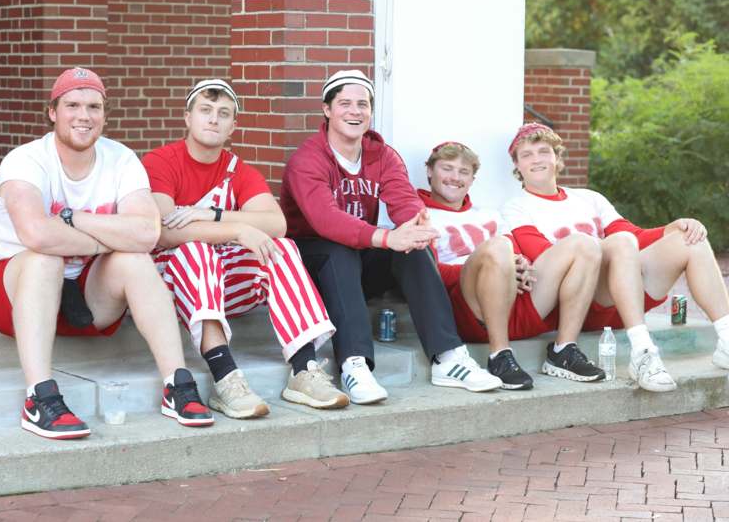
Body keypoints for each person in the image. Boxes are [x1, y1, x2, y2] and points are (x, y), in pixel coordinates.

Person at [0, 67, 213, 440]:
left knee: (134, 260)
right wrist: (109, 238)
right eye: (72, 105)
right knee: (45, 257)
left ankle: (176, 384)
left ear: (104, 113)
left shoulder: (121, 160)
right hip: (11, 291)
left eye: (93, 107)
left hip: (87, 296)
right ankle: (40, 397)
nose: (83, 116)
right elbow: (36, 233)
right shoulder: (25, 160)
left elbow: (147, 233)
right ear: (53, 112)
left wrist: (73, 220)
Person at [280, 70, 502, 404]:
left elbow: (402, 198)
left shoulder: (382, 155)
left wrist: (415, 223)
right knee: (338, 249)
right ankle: (355, 365)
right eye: (345, 104)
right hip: (312, 270)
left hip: (358, 263)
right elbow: (325, 221)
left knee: (411, 247)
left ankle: (449, 356)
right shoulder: (308, 159)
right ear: (327, 110)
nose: (355, 111)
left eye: (363, 104)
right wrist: (387, 237)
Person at [142, 79, 347, 419]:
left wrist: (215, 215)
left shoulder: (238, 170)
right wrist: (239, 228)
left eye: (223, 114)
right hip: (172, 284)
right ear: (188, 117)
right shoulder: (162, 161)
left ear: (233, 125)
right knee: (197, 250)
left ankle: (303, 369)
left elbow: (276, 223)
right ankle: (225, 377)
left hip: (226, 283)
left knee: (279, 246)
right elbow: (162, 230)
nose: (213, 120)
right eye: (205, 111)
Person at [502, 122, 729, 392]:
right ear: (517, 164)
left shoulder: (589, 198)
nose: (536, 159)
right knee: (619, 243)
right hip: (578, 300)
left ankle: (726, 341)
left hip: (621, 292)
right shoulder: (515, 207)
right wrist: (609, 249)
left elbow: (632, 234)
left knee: (690, 239)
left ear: (557, 157)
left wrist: (673, 227)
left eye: (543, 151)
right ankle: (643, 352)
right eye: (527, 154)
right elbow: (543, 259)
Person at [421, 141, 605, 389]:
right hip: (472, 311)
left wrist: (519, 266)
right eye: (447, 169)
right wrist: (497, 267)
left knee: (586, 244)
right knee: (497, 248)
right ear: (430, 171)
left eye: (464, 172)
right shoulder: (419, 214)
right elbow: (428, 274)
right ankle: (499, 356)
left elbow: (519, 256)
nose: (455, 177)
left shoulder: (489, 214)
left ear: (472, 180)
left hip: (516, 302)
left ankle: (563, 350)